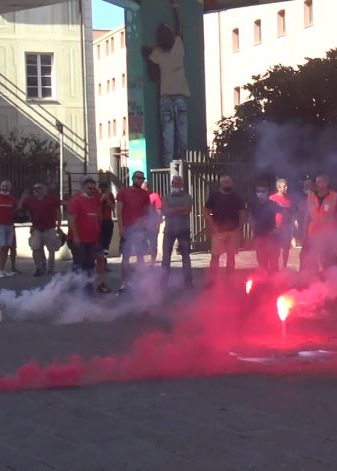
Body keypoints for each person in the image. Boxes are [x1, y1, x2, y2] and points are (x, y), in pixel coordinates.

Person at [141, 0, 189, 165]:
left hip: (167, 98)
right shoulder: (177, 44)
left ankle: (170, 170)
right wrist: (176, 7)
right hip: (178, 97)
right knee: (181, 137)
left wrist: (148, 57)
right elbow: (180, 27)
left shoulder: (158, 52)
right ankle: (182, 169)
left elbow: (154, 76)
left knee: (168, 138)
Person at [204, 175, 246, 283]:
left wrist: (240, 227)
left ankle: (230, 279)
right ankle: (213, 280)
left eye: (230, 182)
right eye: (226, 182)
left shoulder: (236, 197)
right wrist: (212, 224)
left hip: (233, 231)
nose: (229, 184)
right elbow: (205, 210)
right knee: (215, 256)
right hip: (218, 231)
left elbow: (242, 212)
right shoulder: (215, 196)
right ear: (221, 184)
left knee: (231, 256)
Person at [68, 179, 108, 294]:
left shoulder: (96, 200)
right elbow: (71, 219)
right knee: (78, 265)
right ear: (83, 188)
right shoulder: (76, 200)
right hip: (79, 240)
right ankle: (74, 290)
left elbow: (98, 216)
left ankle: (88, 290)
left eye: (93, 188)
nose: (92, 190)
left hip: (92, 240)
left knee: (90, 265)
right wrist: (75, 236)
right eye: (89, 188)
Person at [118, 170, 152, 290]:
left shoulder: (144, 194)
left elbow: (147, 212)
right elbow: (119, 210)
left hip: (140, 230)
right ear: (133, 178)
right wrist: (121, 228)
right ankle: (124, 282)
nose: (141, 180)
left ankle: (140, 281)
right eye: (139, 177)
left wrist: (147, 227)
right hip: (127, 228)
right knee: (125, 256)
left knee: (140, 255)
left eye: (142, 178)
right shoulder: (124, 192)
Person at [303, 174, 337, 276]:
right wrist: (305, 235)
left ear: (326, 183)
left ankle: (333, 282)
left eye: (320, 182)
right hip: (313, 234)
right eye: (317, 182)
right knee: (312, 261)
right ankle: (314, 283)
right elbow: (307, 216)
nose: (317, 184)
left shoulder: (334, 197)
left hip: (328, 235)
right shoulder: (310, 197)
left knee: (330, 262)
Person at [21, 183, 62, 276]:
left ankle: (51, 268)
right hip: (36, 229)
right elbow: (22, 209)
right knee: (36, 248)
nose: (36, 189)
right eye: (35, 188)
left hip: (50, 228)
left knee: (52, 249)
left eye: (39, 188)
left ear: (45, 189)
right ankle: (39, 268)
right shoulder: (29, 200)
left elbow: (58, 212)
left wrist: (58, 227)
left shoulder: (51, 199)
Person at [161, 175, 193, 287]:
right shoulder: (166, 197)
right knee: (166, 257)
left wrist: (172, 210)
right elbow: (165, 211)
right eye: (174, 183)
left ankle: (188, 282)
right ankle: (164, 282)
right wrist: (180, 208)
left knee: (185, 256)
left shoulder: (187, 197)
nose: (175, 185)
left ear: (182, 185)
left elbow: (187, 211)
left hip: (183, 230)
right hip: (169, 230)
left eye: (177, 183)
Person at [0, 180, 19, 278]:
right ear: (0, 186)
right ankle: (0, 270)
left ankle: (4, 269)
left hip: (10, 225)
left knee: (7, 247)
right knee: (1, 247)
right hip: (0, 226)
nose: (4, 187)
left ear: (10, 188)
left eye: (7, 186)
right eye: (3, 185)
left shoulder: (12, 198)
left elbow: (16, 210)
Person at [250, 183, 280, 274]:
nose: (260, 193)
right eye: (258, 191)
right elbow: (251, 216)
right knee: (261, 260)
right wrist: (252, 225)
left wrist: (279, 228)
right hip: (259, 236)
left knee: (273, 260)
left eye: (263, 191)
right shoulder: (254, 204)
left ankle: (276, 281)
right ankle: (264, 280)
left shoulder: (273, 204)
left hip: (272, 237)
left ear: (267, 192)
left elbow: (283, 214)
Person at [269, 178, 295, 271]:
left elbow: (291, 215)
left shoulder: (289, 200)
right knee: (275, 251)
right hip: (275, 229)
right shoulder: (272, 199)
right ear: (278, 187)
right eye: (284, 186)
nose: (286, 188)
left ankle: (284, 266)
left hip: (286, 229)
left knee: (286, 249)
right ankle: (274, 269)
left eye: (286, 186)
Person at [97, 180, 116, 291]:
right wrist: (101, 198)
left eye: (106, 188)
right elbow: (95, 206)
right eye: (102, 188)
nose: (104, 190)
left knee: (106, 244)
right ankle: (99, 263)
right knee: (98, 243)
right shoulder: (96, 195)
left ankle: (104, 262)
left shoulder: (110, 195)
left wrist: (107, 198)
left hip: (108, 222)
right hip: (98, 222)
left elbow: (113, 207)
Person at [143, 181, 162, 263]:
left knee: (153, 244)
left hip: (152, 224)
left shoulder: (155, 196)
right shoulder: (140, 197)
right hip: (142, 224)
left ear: (147, 188)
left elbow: (159, 210)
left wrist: (158, 224)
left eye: (143, 188)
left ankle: (152, 261)